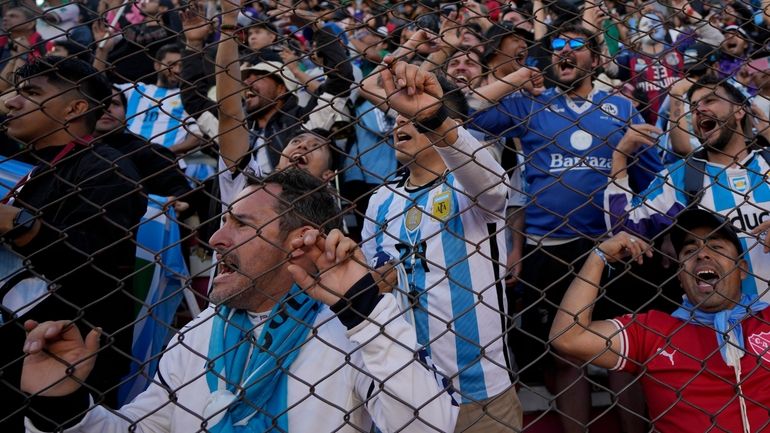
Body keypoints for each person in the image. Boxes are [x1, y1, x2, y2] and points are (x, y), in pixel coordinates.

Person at [20, 168, 458, 433]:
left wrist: (364, 311)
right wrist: (61, 404)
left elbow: (427, 424)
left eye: (239, 224)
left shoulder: (352, 333)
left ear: (297, 241)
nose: (214, 237)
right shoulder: (197, 333)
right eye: (222, 220)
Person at [472, 24, 662, 433]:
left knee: (619, 350)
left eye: (577, 46)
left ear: (595, 59)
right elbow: (467, 109)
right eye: (557, 46)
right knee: (565, 354)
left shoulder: (620, 106)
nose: (566, 51)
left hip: (611, 244)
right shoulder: (530, 105)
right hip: (549, 246)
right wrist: (519, 76)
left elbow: (650, 179)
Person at [359, 58, 520, 431]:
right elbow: (375, 281)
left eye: (412, 113)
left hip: (480, 394)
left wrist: (434, 120)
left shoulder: (472, 186)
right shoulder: (379, 200)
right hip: (405, 391)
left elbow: (495, 186)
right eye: (397, 113)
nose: (399, 119)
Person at [0, 56, 147, 430]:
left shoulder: (108, 168)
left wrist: (16, 225)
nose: (11, 102)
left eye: (31, 92)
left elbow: (92, 263)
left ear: (76, 108)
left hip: (61, 372)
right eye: (16, 90)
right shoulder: (39, 171)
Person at [550, 208, 770, 432]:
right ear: (681, 278)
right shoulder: (652, 331)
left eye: (716, 247)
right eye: (690, 250)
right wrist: (598, 259)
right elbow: (568, 337)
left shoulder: (767, 317)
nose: (702, 255)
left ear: (742, 270)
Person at [606, 76, 770, 298]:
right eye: (693, 107)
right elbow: (622, 229)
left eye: (710, 100)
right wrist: (619, 156)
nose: (699, 110)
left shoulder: (767, 162)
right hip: (721, 324)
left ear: (740, 111)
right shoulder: (680, 177)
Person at [94, 86, 192, 202]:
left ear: (126, 115)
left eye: (115, 103)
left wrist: (179, 203)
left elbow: (182, 193)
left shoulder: (148, 152)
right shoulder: (72, 150)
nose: (107, 109)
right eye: (100, 103)